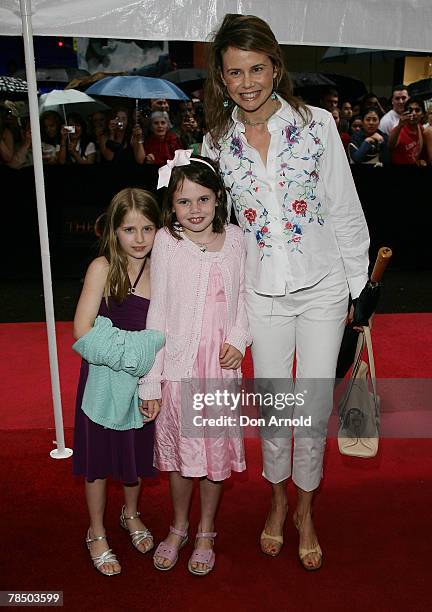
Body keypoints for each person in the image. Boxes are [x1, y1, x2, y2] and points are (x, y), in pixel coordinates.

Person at [202, 13, 370, 571]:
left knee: (313, 407)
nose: (247, 82)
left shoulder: (318, 124)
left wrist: (357, 290)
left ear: (276, 66)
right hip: (260, 296)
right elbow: (212, 228)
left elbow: (345, 208)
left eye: (257, 68)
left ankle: (305, 509)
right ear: (221, 78)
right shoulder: (215, 142)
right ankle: (276, 501)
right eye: (234, 73)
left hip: (322, 288)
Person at [139, 151, 251, 576]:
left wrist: (239, 339)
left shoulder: (238, 239)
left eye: (203, 199)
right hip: (180, 365)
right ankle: (178, 526)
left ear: (219, 198)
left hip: (220, 366)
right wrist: (152, 380)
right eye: (184, 202)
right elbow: (159, 311)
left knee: (213, 453)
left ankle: (206, 531)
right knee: (183, 454)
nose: (195, 210)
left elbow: (245, 298)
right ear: (170, 206)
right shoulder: (167, 242)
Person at [72, 188, 163, 576]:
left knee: (134, 457)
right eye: (129, 229)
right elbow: (82, 330)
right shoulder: (101, 267)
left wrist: (148, 379)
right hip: (101, 383)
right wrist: (134, 352)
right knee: (96, 462)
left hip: (142, 384)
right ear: (114, 230)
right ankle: (96, 531)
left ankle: (130, 514)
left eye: (147, 228)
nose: (139, 238)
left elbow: (164, 333)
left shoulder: (161, 269)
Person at [388, 97, 427, 165]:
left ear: (423, 114)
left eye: (417, 110)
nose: (413, 113)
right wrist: (399, 126)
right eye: (410, 110)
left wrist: (421, 160)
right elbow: (390, 146)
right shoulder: (398, 130)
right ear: (405, 112)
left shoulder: (420, 128)